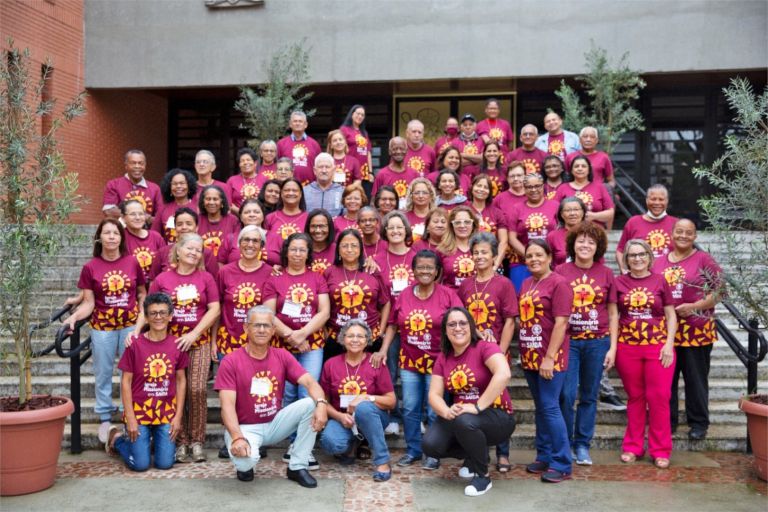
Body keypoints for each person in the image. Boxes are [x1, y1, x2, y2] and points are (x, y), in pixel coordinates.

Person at [215, 305, 328, 487]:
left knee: (311, 403)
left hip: (274, 423)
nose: (261, 330)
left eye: (267, 326)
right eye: (256, 325)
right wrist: (237, 437)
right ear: (246, 328)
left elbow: (310, 383)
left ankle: (297, 466)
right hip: (245, 427)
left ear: (274, 330)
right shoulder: (230, 361)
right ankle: (245, 462)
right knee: (246, 462)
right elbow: (227, 406)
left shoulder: (282, 355)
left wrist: (322, 404)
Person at [373, 250, 462, 470]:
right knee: (411, 407)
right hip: (410, 361)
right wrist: (384, 349)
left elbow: (462, 320)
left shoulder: (448, 294)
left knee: (434, 409)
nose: (424, 271)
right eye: (420, 267)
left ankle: (433, 452)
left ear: (437, 271)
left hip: (439, 362)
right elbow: (393, 324)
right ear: (413, 270)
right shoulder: (404, 294)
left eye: (429, 268)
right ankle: (413, 450)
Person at [63, 219, 147, 445]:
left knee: (130, 372)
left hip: (129, 325)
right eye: (107, 233)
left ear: (121, 237)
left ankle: (129, 412)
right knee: (103, 371)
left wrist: (142, 315)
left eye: (115, 233)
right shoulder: (91, 267)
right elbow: (89, 303)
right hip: (102, 327)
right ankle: (104, 417)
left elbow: (142, 293)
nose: (111, 237)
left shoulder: (132, 262)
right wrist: (73, 317)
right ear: (100, 238)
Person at [143, 233, 221, 464]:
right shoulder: (162, 278)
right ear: (178, 250)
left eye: (199, 250)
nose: (194, 253)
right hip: (170, 345)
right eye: (190, 248)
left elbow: (215, 309)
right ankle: (180, 441)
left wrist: (195, 333)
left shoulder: (206, 278)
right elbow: (150, 309)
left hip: (198, 342)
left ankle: (197, 441)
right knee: (176, 392)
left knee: (196, 390)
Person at [423, 307, 516, 497]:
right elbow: (434, 394)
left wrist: (477, 406)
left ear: (471, 327)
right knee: (431, 445)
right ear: (445, 331)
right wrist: (446, 411)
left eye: (463, 323)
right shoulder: (444, 357)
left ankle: (483, 476)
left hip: (497, 415)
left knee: (465, 421)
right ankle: (475, 457)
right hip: (463, 417)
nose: (458, 328)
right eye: (452, 324)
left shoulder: (485, 347)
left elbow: (504, 373)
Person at [555, 222, 618, 466]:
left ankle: (582, 445)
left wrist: (612, 347)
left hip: (597, 342)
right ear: (573, 244)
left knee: (590, 396)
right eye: (581, 241)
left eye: (591, 242)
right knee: (567, 394)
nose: (585, 245)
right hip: (568, 342)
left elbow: (613, 313)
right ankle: (566, 442)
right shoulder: (560, 271)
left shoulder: (606, 273)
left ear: (598, 247)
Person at [653, 219, 722, 441]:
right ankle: (668, 421)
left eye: (689, 233)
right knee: (666, 381)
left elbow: (720, 291)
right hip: (665, 334)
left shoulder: (704, 259)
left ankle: (699, 423)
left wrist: (695, 306)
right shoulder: (657, 262)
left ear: (695, 236)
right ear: (671, 234)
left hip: (697, 331)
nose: (683, 235)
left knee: (696, 380)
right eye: (679, 231)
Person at [105, 292, 188, 471]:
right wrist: (131, 418)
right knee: (140, 465)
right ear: (146, 317)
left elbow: (181, 381)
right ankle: (118, 439)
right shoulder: (134, 345)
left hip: (166, 411)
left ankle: (150, 442)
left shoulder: (177, 345)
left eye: (163, 313)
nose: (158, 317)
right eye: (153, 313)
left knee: (165, 464)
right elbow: (125, 382)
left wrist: (178, 416)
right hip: (140, 411)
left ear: (170, 316)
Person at [457, 233, 518, 471]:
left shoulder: (504, 284)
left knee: (498, 402)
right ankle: (475, 453)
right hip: (470, 355)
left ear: (494, 256)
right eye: (476, 252)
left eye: (484, 252)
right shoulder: (465, 285)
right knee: (470, 401)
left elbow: (510, 321)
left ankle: (503, 453)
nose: (480, 256)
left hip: (496, 355)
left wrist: (500, 354)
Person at [615, 239, 677, 469]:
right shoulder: (618, 282)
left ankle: (660, 449)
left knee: (659, 397)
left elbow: (671, 315)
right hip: (628, 347)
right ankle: (633, 446)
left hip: (658, 347)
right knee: (635, 397)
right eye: (632, 255)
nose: (637, 258)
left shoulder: (660, 280)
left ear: (650, 257)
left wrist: (669, 344)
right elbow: (614, 316)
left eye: (642, 254)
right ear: (626, 259)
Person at [262, 233, 330, 438]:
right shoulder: (274, 279)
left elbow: (324, 312)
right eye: (293, 249)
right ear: (286, 252)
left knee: (307, 392)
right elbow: (269, 314)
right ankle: (292, 440)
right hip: (282, 345)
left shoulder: (317, 277)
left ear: (308, 253)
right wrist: (292, 336)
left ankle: (304, 443)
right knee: (288, 393)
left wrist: (302, 334)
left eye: (302, 249)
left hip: (313, 345)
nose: (297, 254)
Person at [518, 240, 573, 483]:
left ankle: (562, 462)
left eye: (539, 255)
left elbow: (561, 322)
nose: (533, 259)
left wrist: (549, 358)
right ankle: (545, 454)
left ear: (550, 256)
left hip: (550, 357)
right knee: (541, 407)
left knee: (551, 407)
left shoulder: (559, 283)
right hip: (530, 354)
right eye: (529, 256)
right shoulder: (526, 282)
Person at [319, 320, 396, 480]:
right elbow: (323, 401)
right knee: (330, 442)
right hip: (343, 418)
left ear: (367, 340)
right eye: (350, 336)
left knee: (364, 408)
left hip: (372, 416)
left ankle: (382, 461)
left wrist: (367, 398)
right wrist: (339, 416)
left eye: (360, 336)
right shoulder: (330, 364)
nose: (355, 340)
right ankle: (354, 443)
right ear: (342, 339)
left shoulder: (375, 363)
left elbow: (391, 401)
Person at [324, 229, 391, 360]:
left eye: (354, 245)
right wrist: (326, 334)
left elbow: (386, 302)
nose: (349, 249)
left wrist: (381, 332)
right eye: (345, 245)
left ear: (361, 248)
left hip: (369, 338)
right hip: (336, 338)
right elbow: (321, 306)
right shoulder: (329, 273)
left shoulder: (372, 270)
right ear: (338, 249)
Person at [215, 225, 273, 358]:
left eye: (255, 241)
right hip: (228, 341)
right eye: (246, 240)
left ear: (262, 246)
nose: (250, 244)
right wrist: (214, 341)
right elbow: (217, 309)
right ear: (239, 244)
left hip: (259, 343)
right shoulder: (225, 271)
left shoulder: (270, 273)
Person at [505, 173, 560, 292]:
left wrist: (545, 258)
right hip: (522, 263)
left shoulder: (555, 206)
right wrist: (531, 256)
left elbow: (560, 233)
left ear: (543, 187)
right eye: (529, 187)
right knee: (523, 297)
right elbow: (511, 238)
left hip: (550, 262)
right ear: (524, 188)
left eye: (537, 186)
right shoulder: (516, 208)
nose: (534, 190)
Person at [616, 184, 678, 273]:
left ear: (667, 201)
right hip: (639, 279)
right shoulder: (633, 222)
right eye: (653, 199)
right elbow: (620, 250)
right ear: (646, 200)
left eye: (661, 199)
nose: (657, 203)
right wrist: (624, 269)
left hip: (668, 279)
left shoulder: (676, 224)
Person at [150, 208, 219, 280]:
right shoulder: (162, 252)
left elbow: (215, 281)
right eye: (179, 224)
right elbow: (153, 282)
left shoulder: (206, 253)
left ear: (197, 228)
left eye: (189, 224)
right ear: (175, 228)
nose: (184, 227)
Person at [555, 155, 615, 229]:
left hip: (595, 232)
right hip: (568, 233)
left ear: (589, 170)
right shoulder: (562, 188)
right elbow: (555, 211)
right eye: (576, 166)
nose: (580, 169)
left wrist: (593, 216)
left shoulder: (600, 187)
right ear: (571, 170)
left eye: (583, 166)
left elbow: (610, 212)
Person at [102, 149, 162, 221]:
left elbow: (160, 215)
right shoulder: (114, 184)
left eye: (141, 163)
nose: (137, 166)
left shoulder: (155, 188)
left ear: (145, 166)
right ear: (126, 166)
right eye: (133, 163)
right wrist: (138, 215)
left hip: (146, 231)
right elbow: (108, 211)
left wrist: (148, 219)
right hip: (122, 231)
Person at [467, 174, 508, 269]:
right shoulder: (464, 210)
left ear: (490, 191)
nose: (481, 189)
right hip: (469, 261)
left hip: (492, 262)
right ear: (472, 187)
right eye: (478, 185)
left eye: (485, 187)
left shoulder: (497, 212)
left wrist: (496, 264)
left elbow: (503, 241)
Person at [121, 199, 166, 283]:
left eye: (141, 214)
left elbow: (165, 262)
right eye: (133, 214)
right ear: (123, 218)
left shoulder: (156, 237)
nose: (138, 218)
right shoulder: (120, 238)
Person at [217, 198, 269, 266]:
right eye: (247, 212)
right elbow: (221, 264)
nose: (252, 215)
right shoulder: (230, 238)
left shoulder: (276, 238)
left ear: (263, 216)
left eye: (256, 212)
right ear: (241, 217)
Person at [152, 168, 198, 243]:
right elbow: (155, 236)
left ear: (189, 186)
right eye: (174, 184)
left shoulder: (197, 208)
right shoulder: (163, 209)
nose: (178, 186)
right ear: (169, 187)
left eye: (182, 183)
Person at [277, 111, 322, 186]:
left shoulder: (314, 144)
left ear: (305, 125)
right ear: (290, 124)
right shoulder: (281, 144)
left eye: (300, 121)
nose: (297, 123)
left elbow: (319, 167)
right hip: (287, 187)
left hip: (310, 187)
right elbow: (276, 166)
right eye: (295, 121)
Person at [437, 206, 478, 289]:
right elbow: (436, 282)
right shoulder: (441, 250)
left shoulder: (481, 248)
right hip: (450, 299)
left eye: (467, 222)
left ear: (473, 225)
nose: (462, 226)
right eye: (458, 222)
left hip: (478, 299)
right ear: (452, 225)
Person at [371, 137, 417, 208]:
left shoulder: (414, 174)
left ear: (406, 151)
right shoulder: (382, 174)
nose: (398, 151)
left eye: (401, 149)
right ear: (389, 151)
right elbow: (374, 202)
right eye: (395, 149)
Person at [197, 185, 239, 258]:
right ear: (203, 202)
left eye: (215, 199)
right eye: (208, 199)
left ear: (222, 202)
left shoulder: (233, 220)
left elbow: (236, 248)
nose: (211, 202)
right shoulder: (196, 220)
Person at [546, 196, 588, 267]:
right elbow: (547, 263)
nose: (572, 213)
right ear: (561, 214)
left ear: (583, 212)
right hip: (559, 276)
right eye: (568, 210)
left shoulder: (591, 234)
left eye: (576, 209)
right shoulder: (552, 236)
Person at [264, 178, 309, 242]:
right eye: (287, 190)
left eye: (295, 190)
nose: (290, 193)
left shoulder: (308, 218)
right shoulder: (270, 218)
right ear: (281, 193)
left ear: (300, 194)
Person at [339, 104, 374, 185]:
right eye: (358, 113)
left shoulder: (364, 133)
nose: (360, 116)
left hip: (364, 172)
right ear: (352, 114)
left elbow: (368, 152)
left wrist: (370, 172)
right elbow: (339, 150)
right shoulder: (344, 130)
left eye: (362, 115)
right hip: (349, 169)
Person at [303, 153, 344, 217]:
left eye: (327, 167)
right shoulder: (304, 191)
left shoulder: (342, 191)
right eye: (320, 167)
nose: (324, 170)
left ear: (333, 170)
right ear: (314, 170)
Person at [226, 148, 260, 215]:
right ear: (239, 164)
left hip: (259, 218)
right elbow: (227, 201)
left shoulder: (264, 179)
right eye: (242, 161)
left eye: (248, 160)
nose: (245, 163)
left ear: (255, 163)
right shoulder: (232, 180)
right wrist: (242, 213)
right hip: (237, 218)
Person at [404, 178, 437, 242]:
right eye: (417, 193)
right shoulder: (404, 218)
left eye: (424, 193)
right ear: (411, 196)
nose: (421, 196)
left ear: (431, 195)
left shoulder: (437, 216)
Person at [304, 209, 336, 274]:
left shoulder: (338, 250)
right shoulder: (302, 249)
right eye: (313, 226)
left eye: (322, 226)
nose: (318, 230)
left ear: (329, 227)